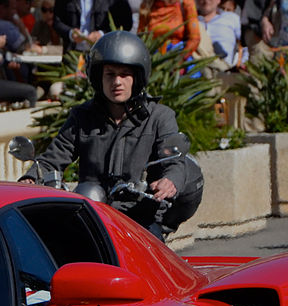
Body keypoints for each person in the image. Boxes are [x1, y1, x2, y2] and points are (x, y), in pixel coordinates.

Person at [19, 31, 203, 240]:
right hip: (94, 214)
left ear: (137, 78)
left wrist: (170, 181)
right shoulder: (82, 117)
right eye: (110, 74)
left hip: (139, 218)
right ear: (99, 77)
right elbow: (55, 156)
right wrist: (31, 177)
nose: (117, 81)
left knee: (145, 260)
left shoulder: (159, 117)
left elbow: (173, 159)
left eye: (124, 74)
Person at [194, 0, 240, 68]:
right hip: (197, 68)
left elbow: (245, 42)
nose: (206, 0)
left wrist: (243, 62)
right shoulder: (191, 21)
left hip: (224, 68)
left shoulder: (231, 18)